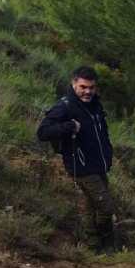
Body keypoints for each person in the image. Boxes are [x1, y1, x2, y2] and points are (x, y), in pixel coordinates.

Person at [36, 65, 116, 252]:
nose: (88, 91)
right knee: (106, 207)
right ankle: (106, 244)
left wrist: (108, 154)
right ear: (74, 84)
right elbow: (43, 132)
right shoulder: (65, 106)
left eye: (91, 87)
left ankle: (92, 247)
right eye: (83, 87)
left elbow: (102, 133)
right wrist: (69, 126)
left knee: (90, 206)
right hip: (81, 166)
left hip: (99, 164)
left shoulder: (95, 104)